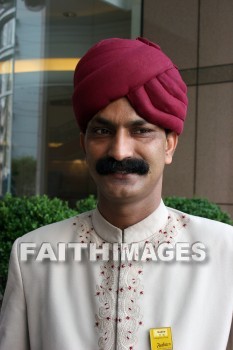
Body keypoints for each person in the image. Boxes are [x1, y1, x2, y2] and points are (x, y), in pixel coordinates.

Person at [0, 37, 233, 350]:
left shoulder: (224, 252)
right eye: (102, 131)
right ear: (84, 143)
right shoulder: (31, 255)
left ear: (169, 144)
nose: (120, 151)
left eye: (141, 130)